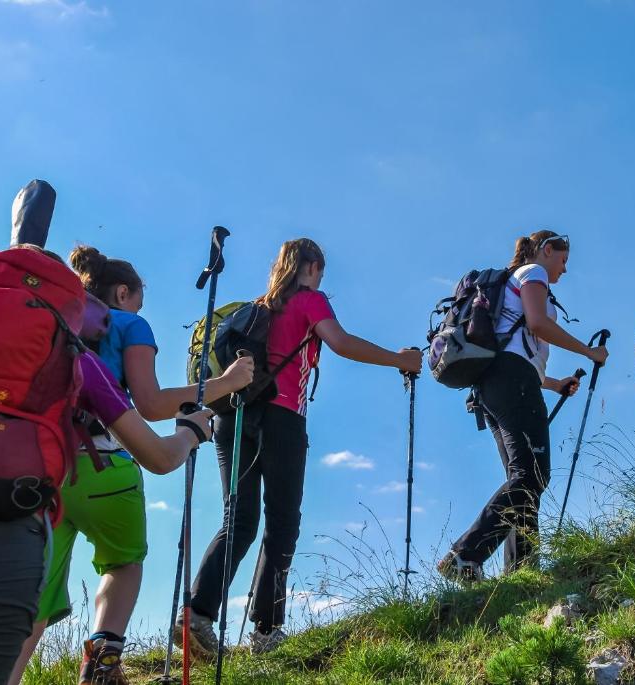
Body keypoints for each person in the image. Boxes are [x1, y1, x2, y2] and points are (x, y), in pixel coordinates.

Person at [8, 246, 253, 685]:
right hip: (107, 467)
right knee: (123, 565)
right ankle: (101, 661)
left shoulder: (58, 323)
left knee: (35, 600)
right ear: (123, 293)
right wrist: (225, 384)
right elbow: (151, 403)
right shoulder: (129, 325)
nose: (141, 307)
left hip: (45, 470)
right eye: (140, 298)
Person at [178, 238, 422, 655]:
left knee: (238, 520)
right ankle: (266, 631)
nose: (321, 278)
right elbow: (341, 343)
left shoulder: (256, 307)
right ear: (310, 267)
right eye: (320, 271)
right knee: (282, 524)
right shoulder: (308, 300)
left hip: (231, 415)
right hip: (281, 417)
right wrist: (399, 359)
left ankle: (196, 618)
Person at [438, 230, 609, 582]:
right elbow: (537, 324)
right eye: (562, 260)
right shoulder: (534, 273)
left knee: (523, 477)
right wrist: (589, 352)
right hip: (513, 380)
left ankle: (522, 575)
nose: (563, 270)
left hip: (495, 381)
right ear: (547, 250)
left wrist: (553, 383)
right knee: (532, 476)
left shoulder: (513, 280)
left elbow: (516, 347)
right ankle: (464, 556)